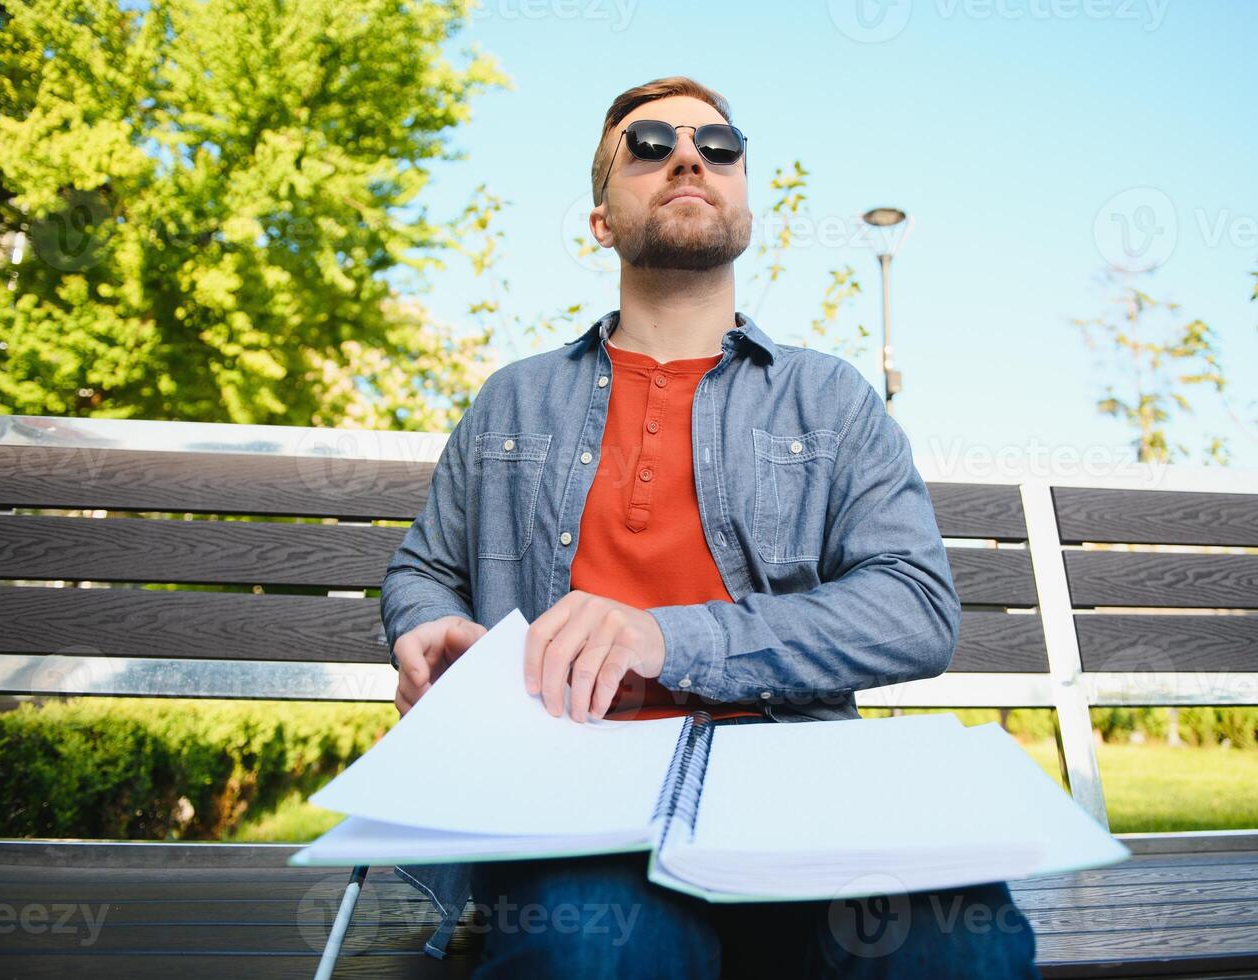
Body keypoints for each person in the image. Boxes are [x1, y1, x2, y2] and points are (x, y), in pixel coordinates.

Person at [380, 75, 1040, 978]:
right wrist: (421, 627)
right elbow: (424, 571)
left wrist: (665, 636)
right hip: (576, 793)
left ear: (742, 197)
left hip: (803, 789)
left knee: (952, 941)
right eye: (647, 146)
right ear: (601, 220)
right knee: (590, 949)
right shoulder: (513, 400)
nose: (689, 156)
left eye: (719, 146)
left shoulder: (828, 398)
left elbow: (914, 609)